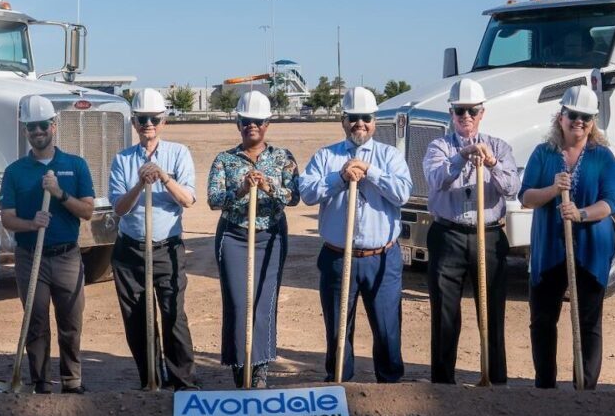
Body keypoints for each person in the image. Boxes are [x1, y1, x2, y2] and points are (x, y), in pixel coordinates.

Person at [299, 87, 412, 383]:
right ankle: (339, 384)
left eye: (365, 118)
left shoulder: (390, 156)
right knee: (338, 329)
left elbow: (402, 193)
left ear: (374, 121)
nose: (359, 123)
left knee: (387, 328)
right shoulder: (326, 156)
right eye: (353, 118)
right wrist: (340, 177)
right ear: (343, 120)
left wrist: (370, 172)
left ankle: (389, 386)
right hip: (338, 256)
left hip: (381, 258)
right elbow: (307, 193)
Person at [518, 85, 615, 389]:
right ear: (560, 117)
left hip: (590, 251)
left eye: (585, 117)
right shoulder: (543, 153)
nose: (579, 122)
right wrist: (552, 190)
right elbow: (526, 196)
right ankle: (545, 385)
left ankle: (584, 388)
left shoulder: (603, 157)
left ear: (593, 121)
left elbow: (612, 201)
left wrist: (581, 214)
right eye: (573, 115)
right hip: (550, 250)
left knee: (588, 323)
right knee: (543, 321)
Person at [422, 78, 520, 385]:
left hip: (488, 236)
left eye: (472, 111)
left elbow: (511, 188)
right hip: (448, 235)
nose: (466, 117)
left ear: (482, 113)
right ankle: (443, 382)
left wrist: (491, 163)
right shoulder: (438, 146)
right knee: (445, 313)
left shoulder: (500, 147)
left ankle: (494, 377)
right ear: (451, 112)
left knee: (491, 312)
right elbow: (436, 180)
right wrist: (461, 156)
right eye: (460, 111)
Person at [0, 95, 95, 393]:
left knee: (70, 320)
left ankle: (71, 380)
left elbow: (88, 211)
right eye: (32, 127)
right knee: (35, 320)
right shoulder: (15, 171)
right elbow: (7, 218)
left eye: (43, 126)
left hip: (66, 255)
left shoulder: (75, 165)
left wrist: (59, 194)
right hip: (30, 256)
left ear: (53, 126)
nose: (38, 132)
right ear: (25, 131)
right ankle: (41, 382)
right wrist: (32, 224)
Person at [206, 91, 299, 388]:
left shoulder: (283, 158)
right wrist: (242, 191)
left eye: (257, 121)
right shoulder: (225, 160)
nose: (251, 126)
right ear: (238, 122)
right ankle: (239, 367)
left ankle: (260, 370)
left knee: (263, 301)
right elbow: (214, 199)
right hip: (234, 236)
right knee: (237, 302)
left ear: (268, 123)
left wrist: (268, 186)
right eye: (246, 121)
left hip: (270, 235)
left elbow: (294, 196)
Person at [110, 88, 200, 390]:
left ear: (164, 121)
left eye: (154, 119)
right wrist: (139, 183)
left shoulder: (179, 153)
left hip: (166, 249)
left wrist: (163, 176)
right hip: (130, 252)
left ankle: (183, 381)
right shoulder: (122, 160)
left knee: (173, 315)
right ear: (134, 123)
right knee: (138, 319)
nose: (148, 124)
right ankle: (150, 380)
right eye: (142, 119)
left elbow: (187, 200)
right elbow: (119, 208)